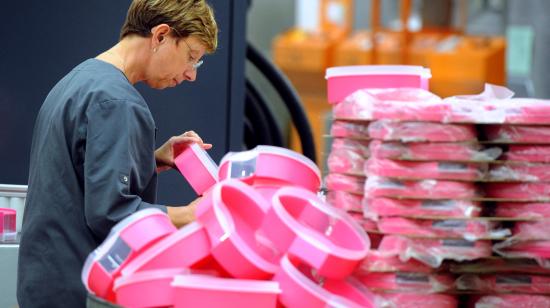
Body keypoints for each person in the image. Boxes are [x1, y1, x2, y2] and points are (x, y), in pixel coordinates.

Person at [16, 0, 218, 307]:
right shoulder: (118, 103)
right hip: (77, 290)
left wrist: (150, 158)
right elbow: (111, 215)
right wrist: (191, 215)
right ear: (161, 35)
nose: (191, 75)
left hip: (44, 282)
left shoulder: (80, 80)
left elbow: (77, 173)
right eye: (191, 57)